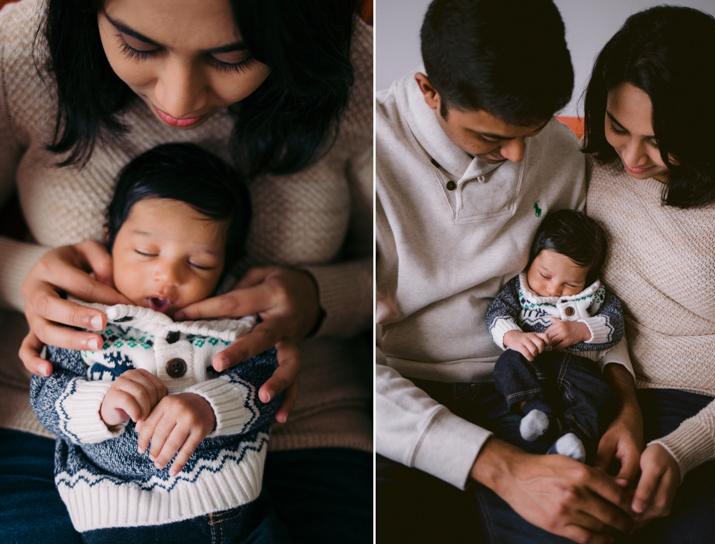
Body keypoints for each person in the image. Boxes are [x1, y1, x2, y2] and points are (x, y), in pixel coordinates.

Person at [0, 0, 373, 542]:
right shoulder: (20, 53)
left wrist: (321, 301)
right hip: (51, 437)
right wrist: (26, 277)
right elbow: (53, 395)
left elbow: (407, 275)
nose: (178, 100)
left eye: (232, 56)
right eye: (139, 46)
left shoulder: (356, 72)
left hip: (306, 431)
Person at [376, 1, 640, 542]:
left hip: (537, 385)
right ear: (430, 92)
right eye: (491, 138)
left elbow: (590, 297)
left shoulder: (560, 154)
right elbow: (342, 360)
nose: (520, 156)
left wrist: (627, 402)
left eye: (534, 129)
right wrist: (502, 467)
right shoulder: (366, 152)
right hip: (398, 395)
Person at [30, 142, 292, 542]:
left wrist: (209, 406)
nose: (167, 276)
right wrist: (102, 407)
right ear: (108, 240)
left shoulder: (232, 325)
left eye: (199, 263)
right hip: (115, 514)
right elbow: (47, 396)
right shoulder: (84, 320)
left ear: (225, 266)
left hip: (233, 505)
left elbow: (268, 386)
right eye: (145, 251)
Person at [583, 6, 715, 542]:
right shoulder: (582, 165)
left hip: (711, 413)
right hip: (596, 391)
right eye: (617, 127)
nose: (632, 157)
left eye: (658, 140)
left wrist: (681, 450)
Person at [487, 209, 623, 464]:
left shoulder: (596, 296)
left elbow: (615, 324)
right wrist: (514, 336)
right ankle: (538, 413)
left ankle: (574, 437)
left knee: (601, 393)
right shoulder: (520, 288)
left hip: (578, 369)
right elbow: (496, 313)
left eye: (570, 284)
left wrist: (583, 330)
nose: (553, 289)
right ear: (531, 260)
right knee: (507, 365)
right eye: (545, 275)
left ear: (589, 278)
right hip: (534, 363)